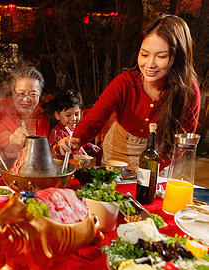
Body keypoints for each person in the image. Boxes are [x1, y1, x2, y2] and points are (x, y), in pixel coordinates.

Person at [56, 15, 200, 168]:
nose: (150, 64)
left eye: (161, 56)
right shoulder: (126, 82)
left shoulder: (188, 93)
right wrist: (75, 140)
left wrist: (155, 167)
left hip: (158, 159)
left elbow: (180, 143)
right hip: (117, 154)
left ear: (178, 58)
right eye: (144, 54)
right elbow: (95, 119)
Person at [0, 67, 50, 160]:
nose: (26, 99)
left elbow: (47, 148)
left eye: (33, 94)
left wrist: (58, 147)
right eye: (21, 93)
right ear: (13, 93)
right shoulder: (3, 110)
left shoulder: (40, 115)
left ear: (39, 95)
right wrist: (10, 138)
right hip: (5, 167)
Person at [48, 90, 100, 155]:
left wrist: (91, 146)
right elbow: (54, 150)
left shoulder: (77, 130)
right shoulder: (56, 133)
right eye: (68, 115)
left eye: (77, 114)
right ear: (57, 115)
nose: (74, 119)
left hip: (78, 164)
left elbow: (80, 144)